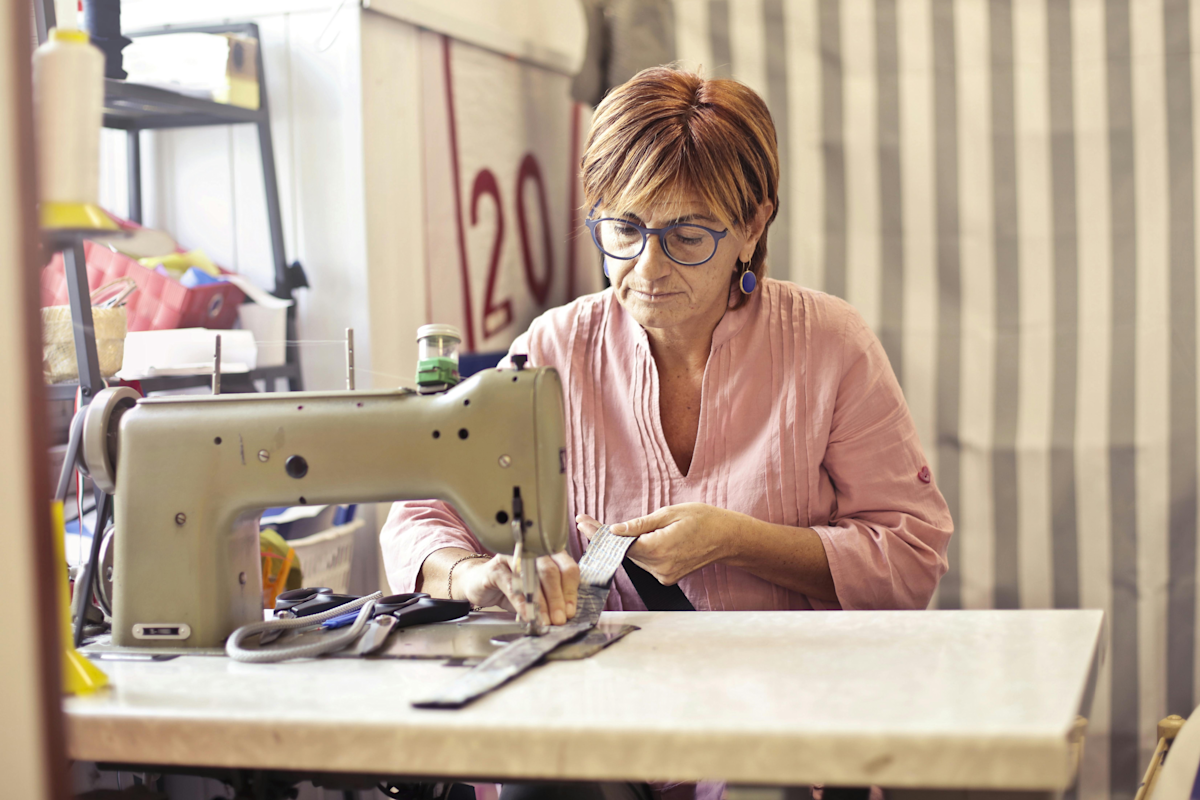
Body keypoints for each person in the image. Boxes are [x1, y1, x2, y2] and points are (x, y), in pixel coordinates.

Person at [380, 66, 953, 800]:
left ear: (752, 225)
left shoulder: (829, 346)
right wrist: (476, 575)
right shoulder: (554, 348)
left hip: (783, 734)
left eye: (686, 233)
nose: (645, 267)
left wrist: (738, 540)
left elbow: (911, 556)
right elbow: (419, 515)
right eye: (623, 229)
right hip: (599, 735)